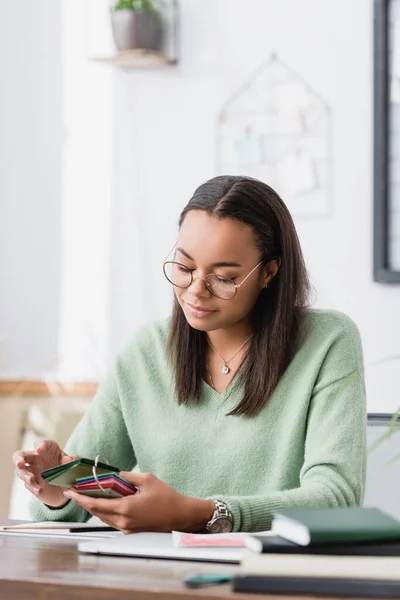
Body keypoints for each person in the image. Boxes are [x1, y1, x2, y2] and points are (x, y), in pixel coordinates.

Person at [13, 175, 366, 534]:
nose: (196, 291)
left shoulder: (327, 341)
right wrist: (57, 489)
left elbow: (336, 497)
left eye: (224, 278)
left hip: (269, 577)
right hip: (154, 573)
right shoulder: (145, 350)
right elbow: (63, 510)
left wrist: (199, 513)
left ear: (269, 272)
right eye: (184, 268)